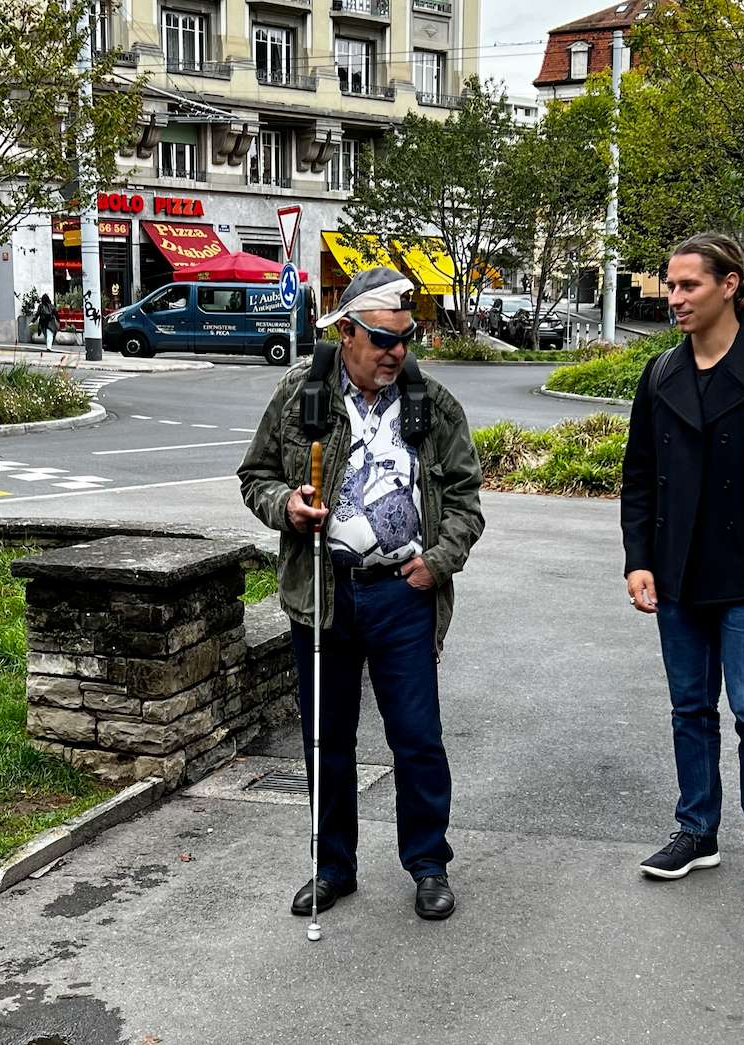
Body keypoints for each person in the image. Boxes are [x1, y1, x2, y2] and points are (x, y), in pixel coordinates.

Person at [238, 266, 485, 922]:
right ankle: (332, 867)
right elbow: (254, 475)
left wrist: (438, 561)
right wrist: (286, 504)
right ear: (345, 330)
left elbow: (464, 499)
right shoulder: (300, 393)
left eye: (405, 338)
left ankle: (428, 863)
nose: (396, 352)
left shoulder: (431, 403)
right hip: (323, 595)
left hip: (404, 595)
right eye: (381, 337)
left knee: (417, 738)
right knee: (327, 740)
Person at [620, 232, 744, 904]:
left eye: (688, 285)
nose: (673, 297)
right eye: (670, 285)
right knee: (689, 708)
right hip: (677, 577)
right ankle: (696, 831)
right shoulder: (659, 375)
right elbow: (640, 478)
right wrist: (638, 561)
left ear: (729, 284)